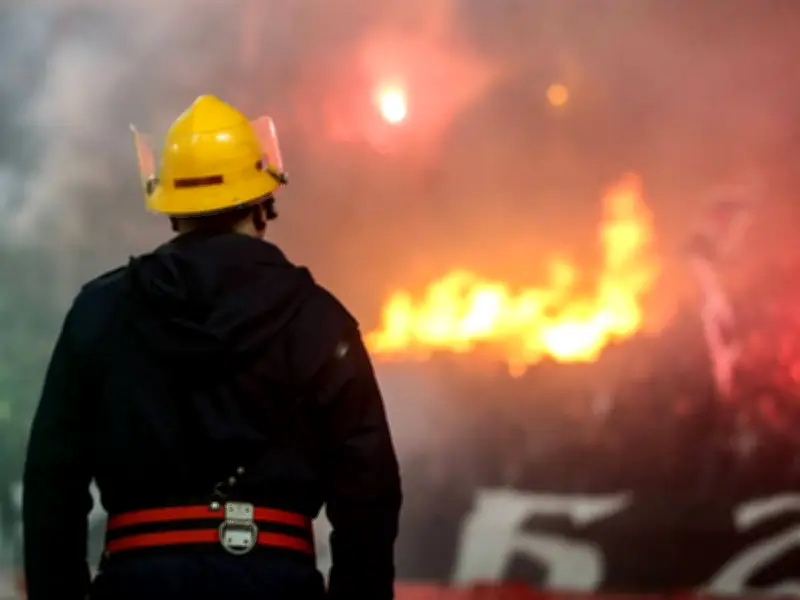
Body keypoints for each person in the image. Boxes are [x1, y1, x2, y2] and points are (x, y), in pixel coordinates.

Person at [22, 94, 402, 600]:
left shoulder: (100, 313)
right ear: (263, 206)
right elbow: (370, 494)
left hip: (137, 588)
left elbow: (52, 482)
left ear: (172, 210)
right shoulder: (322, 322)